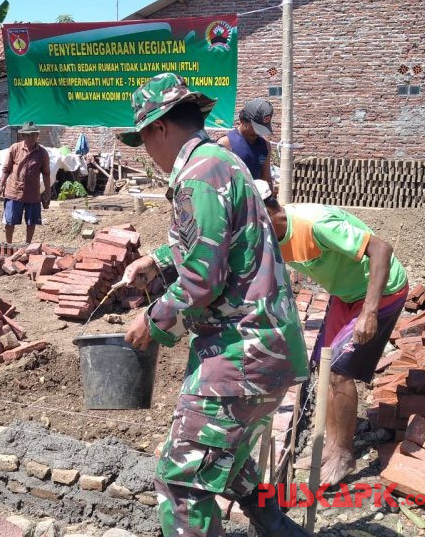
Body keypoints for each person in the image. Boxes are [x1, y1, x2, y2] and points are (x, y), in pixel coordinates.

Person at [118, 73, 310, 537]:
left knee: (182, 481)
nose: (147, 153)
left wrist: (153, 319)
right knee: (234, 463)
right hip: (269, 348)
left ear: (159, 128)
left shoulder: (198, 177)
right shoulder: (221, 162)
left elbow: (203, 279)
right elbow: (220, 243)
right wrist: (156, 259)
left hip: (239, 353)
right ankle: (279, 529)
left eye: (143, 139)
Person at [254, 179, 409, 485]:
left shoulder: (316, 224)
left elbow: (382, 249)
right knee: (322, 366)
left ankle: (343, 454)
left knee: (338, 371)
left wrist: (369, 313)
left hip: (381, 293)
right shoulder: (269, 235)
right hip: (346, 294)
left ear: (267, 212)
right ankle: (329, 442)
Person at [0, 122, 51, 244]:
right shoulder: (15, 148)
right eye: (27, 135)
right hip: (14, 192)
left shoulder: (42, 153)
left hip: (33, 193)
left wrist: (48, 192)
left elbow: (46, 174)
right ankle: (9, 245)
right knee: (9, 221)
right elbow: (6, 169)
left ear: (37, 136)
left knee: (32, 222)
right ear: (23, 136)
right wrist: (1, 185)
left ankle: (28, 245)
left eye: (32, 135)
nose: (30, 138)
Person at [217, 98, 274, 183]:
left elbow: (266, 179)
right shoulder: (225, 144)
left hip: (257, 195)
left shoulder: (265, 145)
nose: (257, 132)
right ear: (243, 121)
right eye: (255, 128)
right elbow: (217, 179)